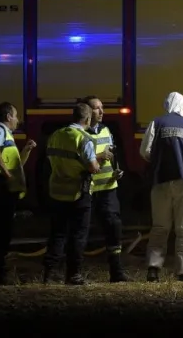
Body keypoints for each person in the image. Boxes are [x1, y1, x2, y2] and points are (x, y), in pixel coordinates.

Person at [140, 92, 183, 282]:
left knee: (160, 227)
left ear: (166, 104)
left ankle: (153, 267)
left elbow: (145, 151)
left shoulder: (157, 123)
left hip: (160, 181)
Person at [42, 103, 101, 285]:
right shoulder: (83, 139)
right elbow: (92, 167)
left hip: (57, 190)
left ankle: (50, 273)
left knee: (57, 234)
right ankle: (73, 274)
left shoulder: (56, 135)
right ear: (88, 119)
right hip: (78, 192)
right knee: (78, 235)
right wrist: (99, 163)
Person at [0, 102, 36, 285]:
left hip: (6, 190)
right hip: (0, 189)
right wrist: (5, 173)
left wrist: (26, 150)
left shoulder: (7, 135)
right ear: (8, 117)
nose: (18, 120)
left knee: (3, 233)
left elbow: (17, 164)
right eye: (16, 115)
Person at [82, 95, 130, 282]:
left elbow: (112, 155)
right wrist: (100, 156)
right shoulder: (81, 134)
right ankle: (74, 272)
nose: (101, 112)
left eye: (102, 107)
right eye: (96, 108)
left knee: (114, 227)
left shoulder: (106, 130)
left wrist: (117, 171)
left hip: (108, 187)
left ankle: (116, 272)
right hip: (88, 189)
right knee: (81, 230)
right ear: (87, 111)